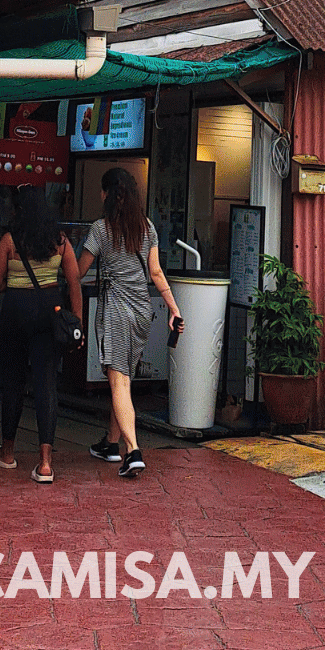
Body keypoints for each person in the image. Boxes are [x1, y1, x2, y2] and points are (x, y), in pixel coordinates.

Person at [78, 166, 181, 478]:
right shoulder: (147, 227)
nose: (99, 195)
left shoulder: (100, 229)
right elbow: (156, 273)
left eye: (101, 190)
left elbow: (79, 270)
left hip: (115, 310)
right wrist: (174, 309)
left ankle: (133, 451)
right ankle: (111, 443)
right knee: (123, 378)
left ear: (108, 194)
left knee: (118, 379)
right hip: (141, 310)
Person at [0, 185, 83, 484]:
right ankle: (44, 464)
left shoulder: (9, 241)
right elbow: (74, 282)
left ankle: (8, 452)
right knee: (46, 384)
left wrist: (14, 288)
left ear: (18, 210)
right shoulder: (61, 242)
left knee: (13, 383)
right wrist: (77, 321)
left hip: (15, 313)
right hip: (49, 315)